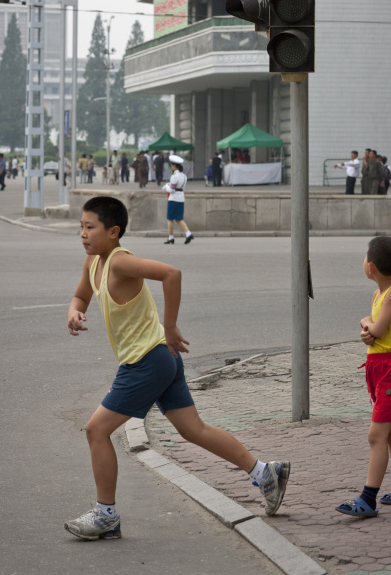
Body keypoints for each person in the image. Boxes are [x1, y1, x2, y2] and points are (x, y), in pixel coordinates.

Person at [64, 196, 290, 540]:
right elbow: (80, 296)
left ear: (113, 232)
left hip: (147, 361)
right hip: (160, 358)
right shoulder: (93, 263)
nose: (82, 234)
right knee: (192, 429)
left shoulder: (121, 262)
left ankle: (105, 515)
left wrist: (170, 326)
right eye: (80, 226)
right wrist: (74, 311)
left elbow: (172, 274)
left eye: (89, 227)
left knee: (96, 430)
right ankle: (264, 472)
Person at [336, 236, 391, 519]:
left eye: (364, 257)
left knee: (376, 436)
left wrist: (366, 324)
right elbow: (373, 332)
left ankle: (367, 499)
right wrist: (367, 329)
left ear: (370, 267)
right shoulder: (378, 295)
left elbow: (379, 330)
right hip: (378, 368)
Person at [163, 155, 194, 244]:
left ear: (174, 166)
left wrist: (166, 187)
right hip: (181, 197)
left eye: (171, 165)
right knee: (178, 219)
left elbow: (172, 190)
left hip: (174, 198)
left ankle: (171, 237)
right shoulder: (184, 176)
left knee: (170, 219)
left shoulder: (174, 176)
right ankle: (188, 233)